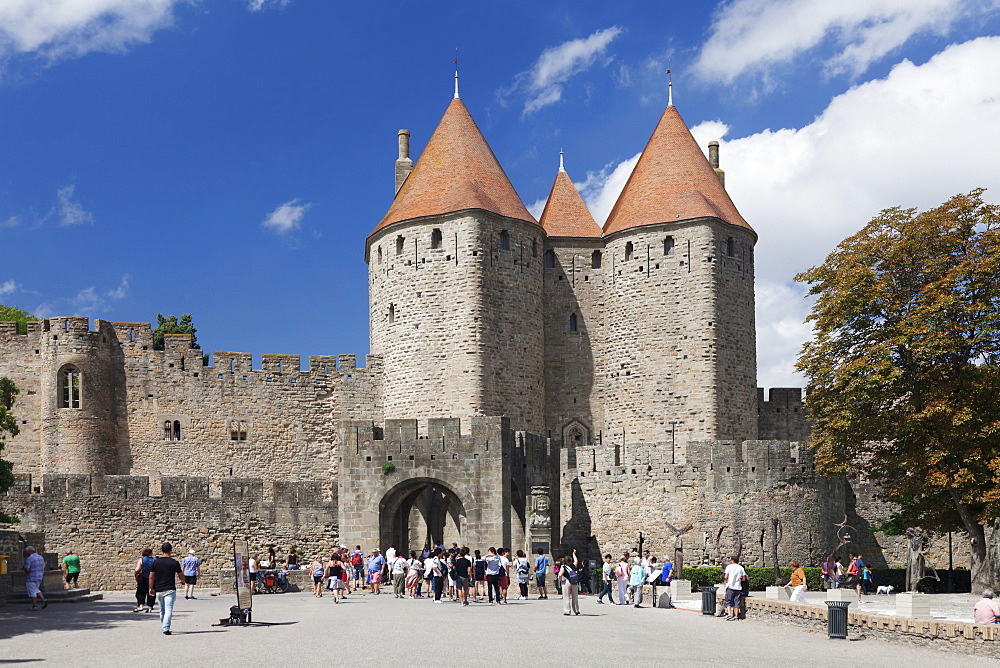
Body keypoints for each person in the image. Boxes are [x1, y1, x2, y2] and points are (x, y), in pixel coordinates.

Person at [149, 542, 185, 635]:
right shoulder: (174, 562)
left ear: (161, 550)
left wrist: (151, 588)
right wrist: (182, 581)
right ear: (171, 551)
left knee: (162, 610)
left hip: (159, 588)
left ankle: (164, 626)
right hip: (170, 588)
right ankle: (166, 628)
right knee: (168, 609)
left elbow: (151, 577)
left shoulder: (155, 563)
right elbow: (180, 574)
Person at [722, 555, 747, 621]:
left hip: (730, 586)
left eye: (730, 560)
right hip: (738, 587)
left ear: (732, 560)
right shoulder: (741, 568)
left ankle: (729, 614)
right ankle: (736, 616)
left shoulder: (729, 567)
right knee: (737, 602)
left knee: (728, 601)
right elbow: (744, 579)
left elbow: (726, 577)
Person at [23, 546, 47, 610]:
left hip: (31, 577)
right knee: (36, 589)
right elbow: (44, 566)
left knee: (32, 592)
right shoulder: (40, 557)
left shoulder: (29, 558)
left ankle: (34, 606)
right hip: (39, 576)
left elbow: (27, 569)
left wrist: (25, 570)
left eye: (26, 551)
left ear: (29, 551)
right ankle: (43, 599)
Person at [133, 548, 156, 612]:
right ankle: (150, 607)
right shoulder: (154, 560)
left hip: (143, 578)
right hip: (153, 578)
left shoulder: (141, 559)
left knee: (141, 592)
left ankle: (141, 605)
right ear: (151, 553)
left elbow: (137, 569)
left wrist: (136, 574)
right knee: (151, 593)